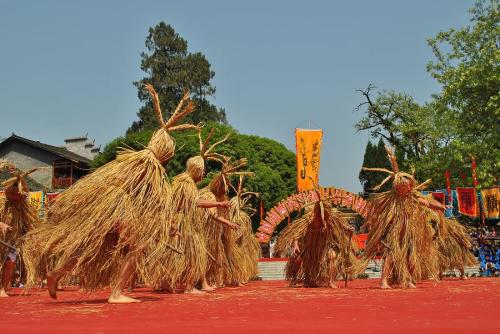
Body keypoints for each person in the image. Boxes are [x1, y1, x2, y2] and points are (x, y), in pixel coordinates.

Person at [22, 85, 198, 303]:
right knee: (137, 248)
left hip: (106, 205)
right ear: (165, 151)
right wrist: (166, 226)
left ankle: (56, 273)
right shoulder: (152, 166)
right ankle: (116, 293)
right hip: (120, 208)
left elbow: (104, 180)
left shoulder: (131, 159)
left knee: (94, 245)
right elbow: (154, 201)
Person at [361, 146, 444, 289]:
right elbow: (395, 174)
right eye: (405, 185)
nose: (409, 187)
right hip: (393, 231)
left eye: (410, 185)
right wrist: (393, 159)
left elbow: (427, 202)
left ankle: (408, 280)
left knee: (411, 257)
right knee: (391, 256)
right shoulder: (392, 197)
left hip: (409, 232)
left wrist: (441, 207)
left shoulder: (413, 197)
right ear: (398, 186)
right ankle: (384, 281)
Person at [274, 191, 359, 289]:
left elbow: (344, 228)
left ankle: (330, 281)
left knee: (332, 255)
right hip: (308, 248)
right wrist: (296, 244)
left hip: (325, 247)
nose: (321, 219)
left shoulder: (333, 219)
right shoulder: (307, 220)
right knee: (297, 258)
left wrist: (349, 230)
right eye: (319, 215)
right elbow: (296, 233)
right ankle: (295, 280)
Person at [0, 162, 41, 297]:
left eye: (20, 194)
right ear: (9, 192)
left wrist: (33, 235)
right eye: (16, 194)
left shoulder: (24, 207)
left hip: (12, 241)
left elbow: (30, 223)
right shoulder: (1, 203)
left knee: (10, 262)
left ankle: (3, 289)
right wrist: (2, 225)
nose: (18, 197)